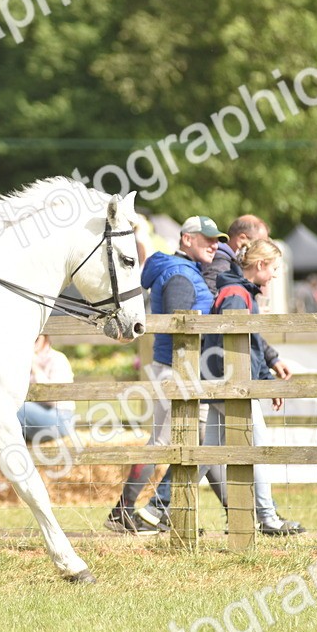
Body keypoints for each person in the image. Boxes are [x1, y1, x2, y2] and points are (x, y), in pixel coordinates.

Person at [105, 215, 227, 535]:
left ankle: (164, 510)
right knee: (170, 442)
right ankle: (129, 512)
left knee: (197, 442)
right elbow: (179, 327)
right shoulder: (180, 275)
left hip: (179, 370)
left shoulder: (184, 270)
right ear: (187, 239)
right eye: (207, 239)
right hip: (178, 370)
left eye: (217, 240)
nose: (214, 244)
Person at [195, 238, 304, 535]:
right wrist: (265, 383)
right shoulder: (236, 295)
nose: (275, 275)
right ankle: (268, 518)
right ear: (259, 265)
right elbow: (241, 348)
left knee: (209, 453)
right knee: (257, 449)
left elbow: (251, 342)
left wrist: (269, 366)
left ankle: (168, 508)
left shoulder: (239, 292)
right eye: (274, 268)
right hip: (231, 384)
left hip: (223, 380)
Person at [17, 335, 79, 444]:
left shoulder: (57, 359)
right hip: (38, 416)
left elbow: (53, 398)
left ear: (45, 338)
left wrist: (34, 365)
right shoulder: (22, 362)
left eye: (36, 338)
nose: (31, 342)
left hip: (61, 418)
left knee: (16, 408)